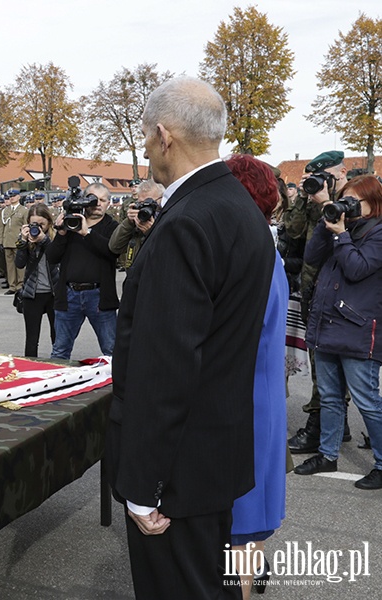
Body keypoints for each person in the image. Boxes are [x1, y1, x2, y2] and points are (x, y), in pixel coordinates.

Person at [105, 76, 275, 599]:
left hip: (177, 474)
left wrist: (144, 486)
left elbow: (166, 367)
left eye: (144, 135)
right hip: (213, 456)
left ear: (163, 135)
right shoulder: (239, 207)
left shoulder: (187, 221)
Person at [225, 154, 288, 598]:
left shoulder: (249, 254)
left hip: (243, 400)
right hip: (261, 396)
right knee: (251, 518)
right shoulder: (267, 248)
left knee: (241, 525)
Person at [294, 174, 382, 490]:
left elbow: (358, 269)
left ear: (374, 203)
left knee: (367, 400)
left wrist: (342, 234)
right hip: (328, 324)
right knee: (330, 398)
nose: (346, 206)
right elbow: (312, 257)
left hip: (359, 331)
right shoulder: (341, 229)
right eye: (344, 199)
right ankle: (327, 454)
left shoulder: (378, 233)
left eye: (353, 201)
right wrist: (326, 220)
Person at [47, 182, 119, 359]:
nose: (98, 203)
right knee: (60, 350)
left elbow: (112, 252)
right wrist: (61, 233)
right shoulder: (71, 221)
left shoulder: (112, 226)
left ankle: (119, 386)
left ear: (108, 203)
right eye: (94, 199)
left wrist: (88, 233)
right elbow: (52, 257)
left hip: (99, 296)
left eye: (103, 200)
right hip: (69, 295)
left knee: (112, 350)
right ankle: (58, 385)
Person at [15, 204, 58, 358]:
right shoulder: (27, 238)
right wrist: (23, 241)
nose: (38, 228)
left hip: (54, 294)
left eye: (42, 225)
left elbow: (57, 256)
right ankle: (30, 369)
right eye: (34, 224)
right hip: (32, 295)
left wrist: (44, 240)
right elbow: (19, 263)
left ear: (49, 222)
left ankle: (58, 368)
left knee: (57, 337)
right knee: (32, 340)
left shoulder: (56, 237)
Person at [108, 179, 164, 269]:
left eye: (150, 203)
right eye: (141, 203)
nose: (146, 207)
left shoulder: (167, 218)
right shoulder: (135, 220)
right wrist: (128, 223)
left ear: (161, 199)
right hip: (135, 277)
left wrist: (152, 232)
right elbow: (114, 247)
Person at [0, 190, 28, 295]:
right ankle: (12, 285)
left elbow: (25, 226)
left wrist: (24, 240)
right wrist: (0, 241)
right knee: (10, 265)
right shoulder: (5, 211)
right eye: (10, 196)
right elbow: (1, 227)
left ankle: (20, 285)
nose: (11, 198)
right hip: (7, 241)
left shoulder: (24, 210)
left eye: (14, 196)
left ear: (19, 197)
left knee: (20, 265)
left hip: (18, 241)